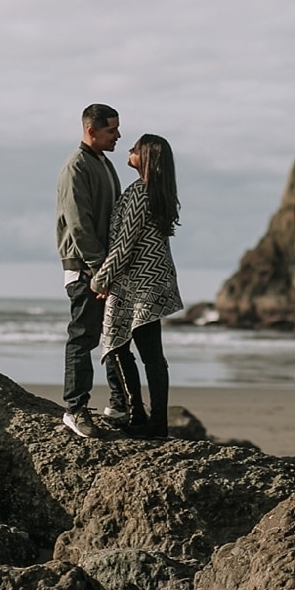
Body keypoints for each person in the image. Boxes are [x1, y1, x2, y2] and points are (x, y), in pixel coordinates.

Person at [90, 136, 183, 438]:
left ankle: (139, 417)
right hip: (153, 282)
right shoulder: (159, 193)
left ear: (146, 157)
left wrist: (100, 279)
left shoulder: (139, 194)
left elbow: (123, 245)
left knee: (118, 346)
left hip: (136, 285)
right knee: (152, 355)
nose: (129, 151)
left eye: (135, 149)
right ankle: (156, 422)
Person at [55, 105, 122, 440]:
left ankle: (117, 406)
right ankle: (75, 410)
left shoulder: (105, 164)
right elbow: (78, 223)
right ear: (91, 131)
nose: (118, 136)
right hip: (85, 269)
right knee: (83, 338)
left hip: (103, 269)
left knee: (109, 337)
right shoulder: (76, 167)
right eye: (112, 130)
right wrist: (97, 268)